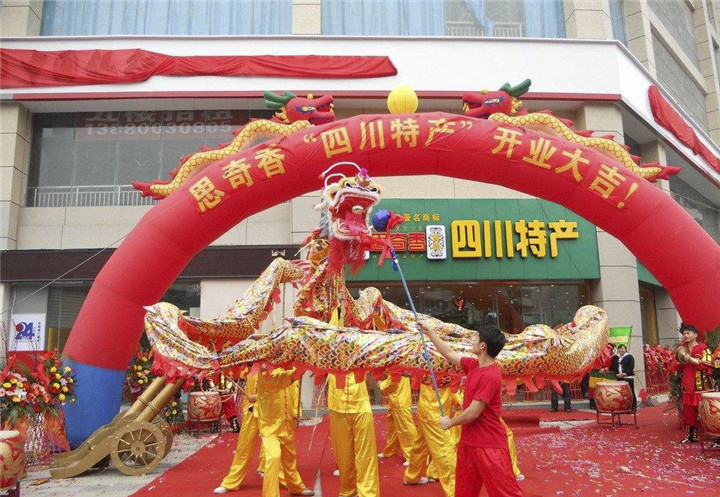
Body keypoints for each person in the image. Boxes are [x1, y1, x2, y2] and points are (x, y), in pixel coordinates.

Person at [419, 322, 524, 497]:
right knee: (464, 492)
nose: (472, 341)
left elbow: (473, 413)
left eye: (475, 338)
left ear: (483, 346)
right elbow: (449, 353)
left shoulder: (490, 375)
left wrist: (450, 423)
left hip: (489, 445)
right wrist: (429, 332)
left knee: (505, 493)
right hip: (468, 443)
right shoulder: (474, 366)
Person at [214, 367, 314, 496]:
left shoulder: (290, 365)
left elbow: (293, 389)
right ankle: (231, 482)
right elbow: (264, 382)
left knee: (286, 455)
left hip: (278, 415)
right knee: (244, 448)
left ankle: (292, 484)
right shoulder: (256, 363)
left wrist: (296, 409)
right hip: (254, 411)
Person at [328, 372, 380, 497]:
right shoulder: (329, 358)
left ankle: (368, 494)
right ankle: (347, 491)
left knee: (366, 454)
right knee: (343, 453)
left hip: (361, 404)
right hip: (338, 405)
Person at [403, 379, 456, 497]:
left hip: (427, 406)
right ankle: (454, 492)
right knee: (446, 450)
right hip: (434, 410)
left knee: (420, 445)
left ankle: (412, 476)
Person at [676, 324, 714, 443]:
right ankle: (692, 434)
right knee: (689, 411)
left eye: (688, 333)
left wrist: (691, 359)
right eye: (684, 333)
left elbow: (707, 364)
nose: (685, 335)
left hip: (702, 385)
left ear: (695, 335)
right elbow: (676, 365)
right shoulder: (682, 349)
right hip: (687, 384)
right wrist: (680, 360)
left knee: (706, 411)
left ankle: (715, 437)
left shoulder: (704, 348)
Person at [377, 374, 416, 465]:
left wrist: (381, 384)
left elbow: (392, 383)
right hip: (395, 400)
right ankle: (390, 450)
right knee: (393, 428)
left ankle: (413, 456)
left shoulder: (396, 368)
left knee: (406, 429)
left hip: (400, 401)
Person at [610, 344, 636, 411]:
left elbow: (631, 366)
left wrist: (625, 373)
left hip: (628, 377)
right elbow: (614, 367)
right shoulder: (616, 357)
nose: (621, 350)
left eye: (622, 348)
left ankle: (633, 407)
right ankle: (623, 406)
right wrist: (616, 374)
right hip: (619, 377)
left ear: (625, 349)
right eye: (619, 348)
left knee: (630, 392)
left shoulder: (629, 357)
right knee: (621, 393)